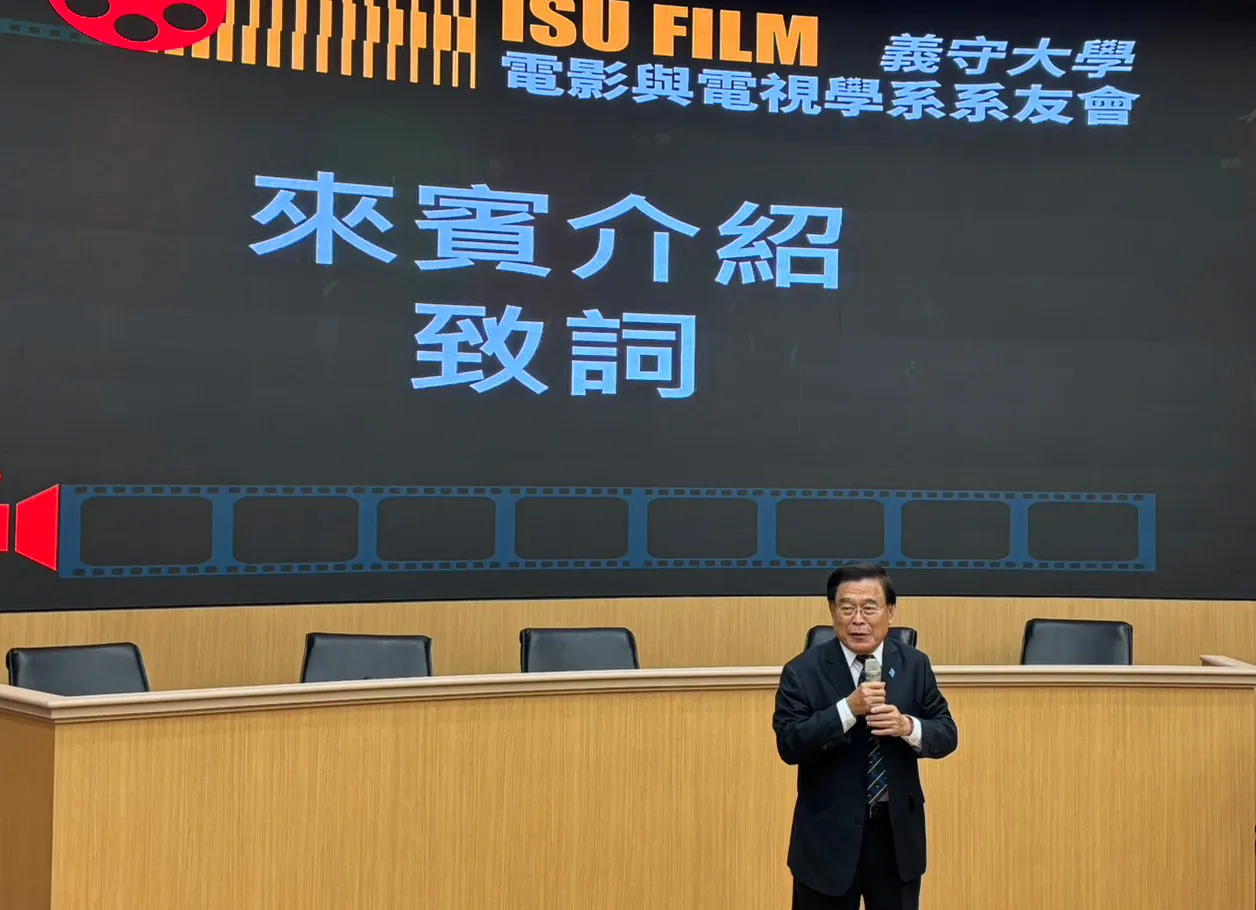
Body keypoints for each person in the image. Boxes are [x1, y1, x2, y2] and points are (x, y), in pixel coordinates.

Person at [773, 563, 958, 910]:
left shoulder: (915, 665)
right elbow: (789, 743)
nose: (858, 620)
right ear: (832, 611)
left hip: (896, 841)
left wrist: (907, 727)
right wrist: (847, 710)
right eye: (847, 608)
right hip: (827, 843)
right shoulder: (801, 671)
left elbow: (947, 733)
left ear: (890, 611)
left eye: (869, 608)